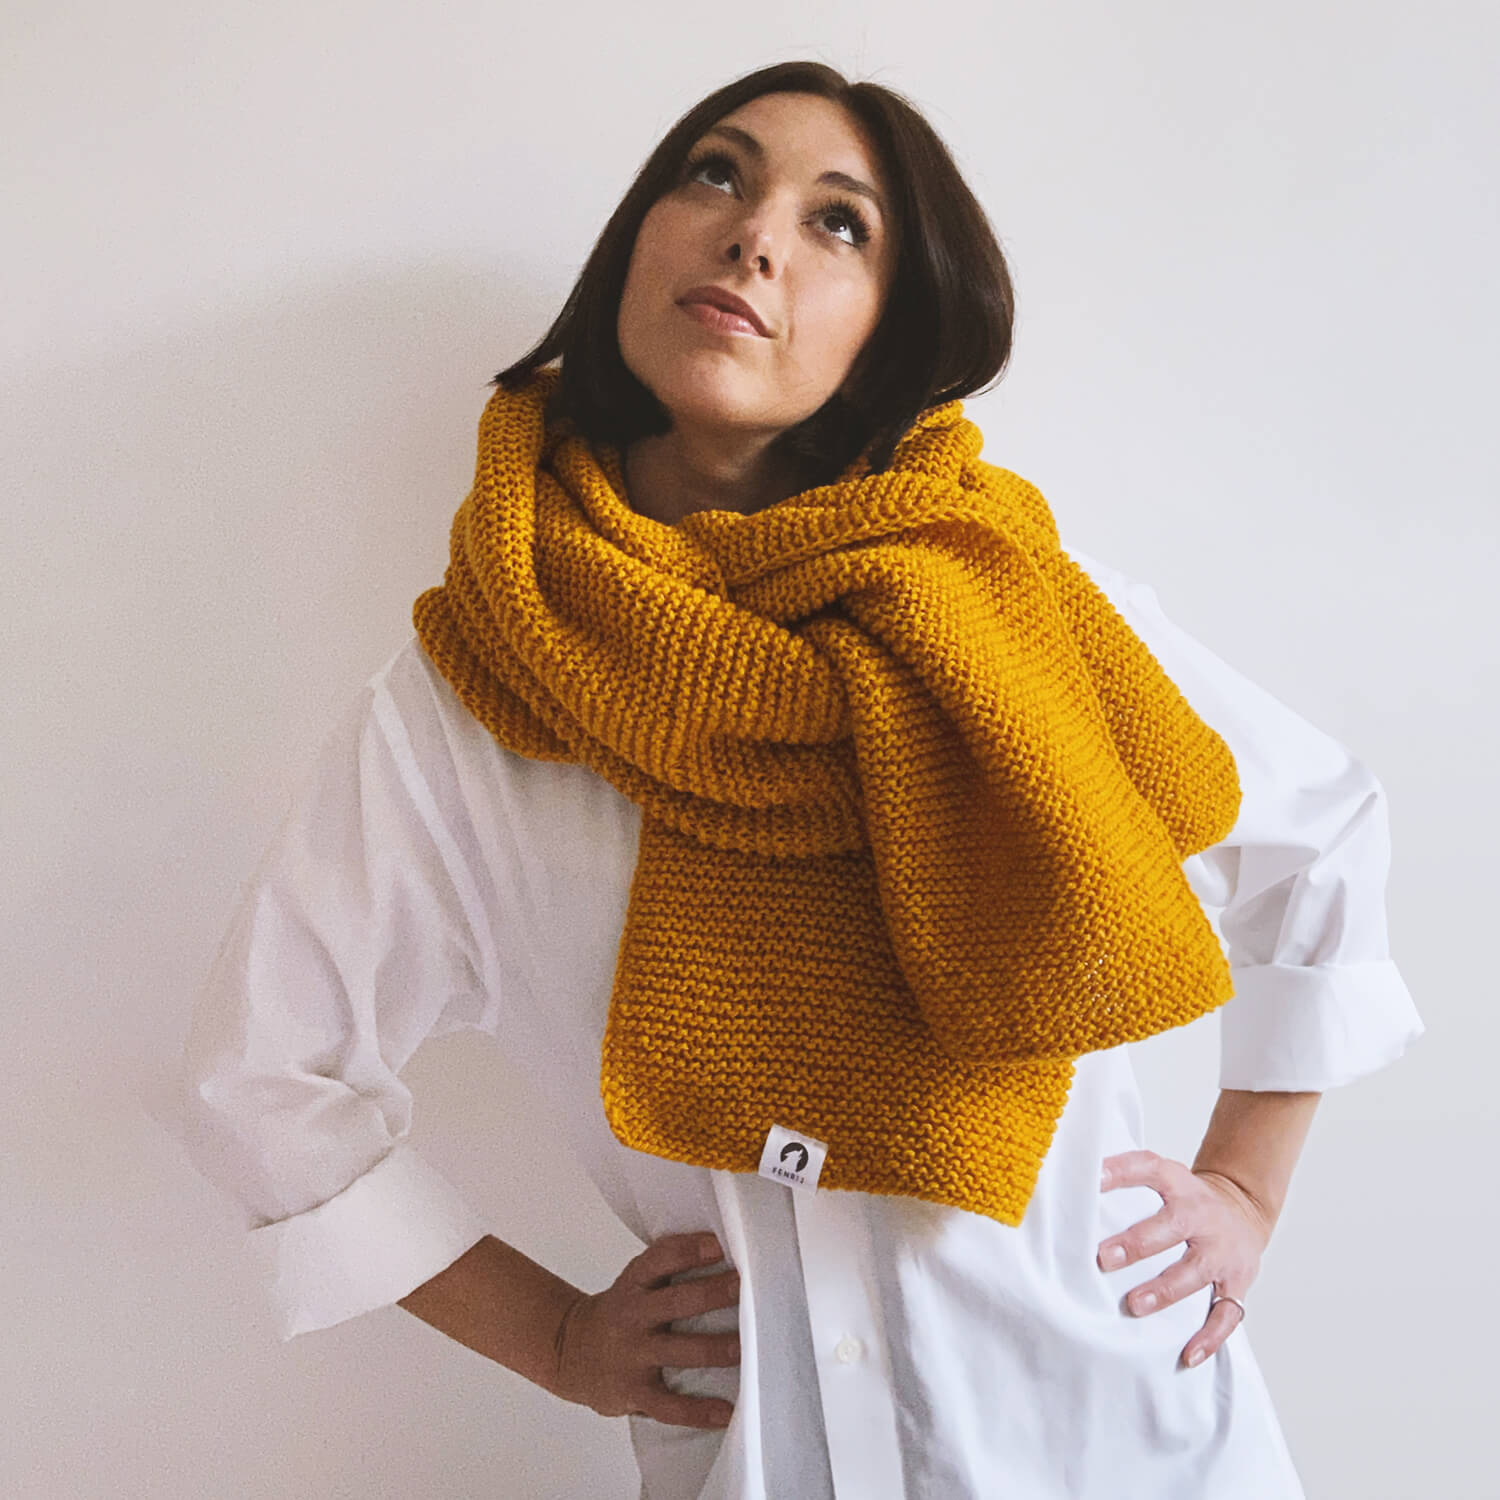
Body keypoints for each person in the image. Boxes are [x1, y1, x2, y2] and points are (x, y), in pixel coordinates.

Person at [172, 59, 1425, 1499]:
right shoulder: (481, 693)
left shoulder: (1014, 603)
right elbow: (261, 1080)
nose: (754, 234)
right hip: (765, 1459)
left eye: (840, 223)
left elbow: (1321, 836)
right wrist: (560, 1340)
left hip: (1118, 1433)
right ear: (636, 242)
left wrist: (1247, 1184)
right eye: (714, 173)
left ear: (891, 329)